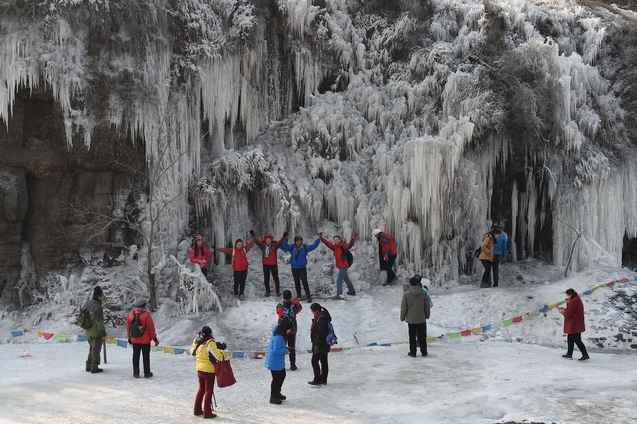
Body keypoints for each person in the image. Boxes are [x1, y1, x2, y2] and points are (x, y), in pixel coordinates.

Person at [191, 326, 227, 418]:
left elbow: (192, 352)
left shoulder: (196, 340)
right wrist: (221, 350)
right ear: (210, 334)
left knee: (201, 389)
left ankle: (197, 410)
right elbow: (218, 356)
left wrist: (215, 346)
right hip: (209, 371)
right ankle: (207, 412)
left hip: (199, 368)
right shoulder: (210, 342)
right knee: (208, 391)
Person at [318, 232, 358, 300]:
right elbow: (328, 244)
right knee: (346, 278)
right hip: (340, 266)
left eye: (337, 239)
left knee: (339, 280)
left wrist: (353, 239)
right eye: (335, 240)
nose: (336, 241)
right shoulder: (334, 247)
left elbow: (350, 245)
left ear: (340, 240)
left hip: (344, 266)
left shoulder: (344, 246)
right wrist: (321, 238)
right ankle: (352, 291)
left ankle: (339, 295)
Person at [281, 235, 321, 302]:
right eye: (297, 241)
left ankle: (308, 296)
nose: (299, 242)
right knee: (297, 282)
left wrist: (319, 239)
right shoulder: (292, 247)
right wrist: (286, 238)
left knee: (304, 281)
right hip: (294, 268)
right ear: (295, 242)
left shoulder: (305, 247)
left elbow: (313, 246)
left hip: (302, 267)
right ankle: (299, 295)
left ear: (301, 241)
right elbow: (284, 245)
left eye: (300, 241)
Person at [126, 299, 159, 378]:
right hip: (145, 340)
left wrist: (129, 337)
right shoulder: (146, 315)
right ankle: (147, 373)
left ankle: (136, 373)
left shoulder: (130, 314)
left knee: (135, 356)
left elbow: (128, 327)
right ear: (144, 306)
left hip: (134, 339)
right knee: (146, 356)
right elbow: (151, 328)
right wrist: (154, 339)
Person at [400, 275, 431, 357]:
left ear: (410, 284)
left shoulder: (406, 294)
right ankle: (424, 352)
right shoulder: (423, 293)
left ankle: (413, 352)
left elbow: (404, 307)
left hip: (411, 319)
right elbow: (426, 306)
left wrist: (402, 317)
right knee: (422, 336)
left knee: (412, 336)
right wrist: (427, 315)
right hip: (421, 318)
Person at [264, 320, 293, 404]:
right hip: (274, 360)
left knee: (282, 375)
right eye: (289, 329)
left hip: (278, 360)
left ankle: (277, 393)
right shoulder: (278, 336)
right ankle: (273, 396)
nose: (290, 331)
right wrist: (286, 350)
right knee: (276, 379)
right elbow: (276, 350)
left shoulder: (280, 334)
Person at [556, 289, 589, 361]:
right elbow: (571, 310)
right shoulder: (575, 299)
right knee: (570, 338)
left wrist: (562, 311)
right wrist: (566, 306)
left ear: (570, 294)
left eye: (567, 295)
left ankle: (585, 355)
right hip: (575, 322)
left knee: (577, 340)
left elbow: (568, 314)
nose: (566, 296)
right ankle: (569, 354)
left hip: (574, 323)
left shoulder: (574, 301)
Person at [253, 231, 287, 297]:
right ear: (265, 240)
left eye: (269, 239)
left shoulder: (275, 245)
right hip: (265, 264)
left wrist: (283, 236)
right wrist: (253, 235)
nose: (268, 241)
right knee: (266, 278)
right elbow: (257, 241)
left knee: (276, 278)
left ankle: (277, 291)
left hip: (273, 264)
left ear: (271, 240)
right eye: (267, 239)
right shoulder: (263, 245)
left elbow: (280, 242)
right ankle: (267, 291)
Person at [276, 290, 303, 370]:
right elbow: (299, 308)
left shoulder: (280, 305)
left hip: (282, 328)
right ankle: (293, 364)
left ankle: (281, 364)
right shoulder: (294, 305)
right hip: (292, 328)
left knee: (282, 346)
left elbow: (279, 313)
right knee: (292, 346)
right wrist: (295, 301)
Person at [83, 286, 107, 373]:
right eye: (102, 295)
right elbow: (99, 322)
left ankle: (88, 365)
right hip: (96, 333)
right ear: (98, 297)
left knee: (91, 349)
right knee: (96, 350)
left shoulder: (87, 303)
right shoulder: (98, 308)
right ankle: (94, 367)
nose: (104, 296)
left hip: (87, 331)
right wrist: (103, 334)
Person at [308, 303, 332, 386]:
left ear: (316, 310)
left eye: (312, 311)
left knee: (314, 361)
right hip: (324, 344)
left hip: (320, 344)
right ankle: (323, 379)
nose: (312, 312)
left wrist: (317, 345)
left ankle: (317, 379)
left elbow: (320, 333)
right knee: (324, 361)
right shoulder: (322, 317)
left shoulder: (320, 319)